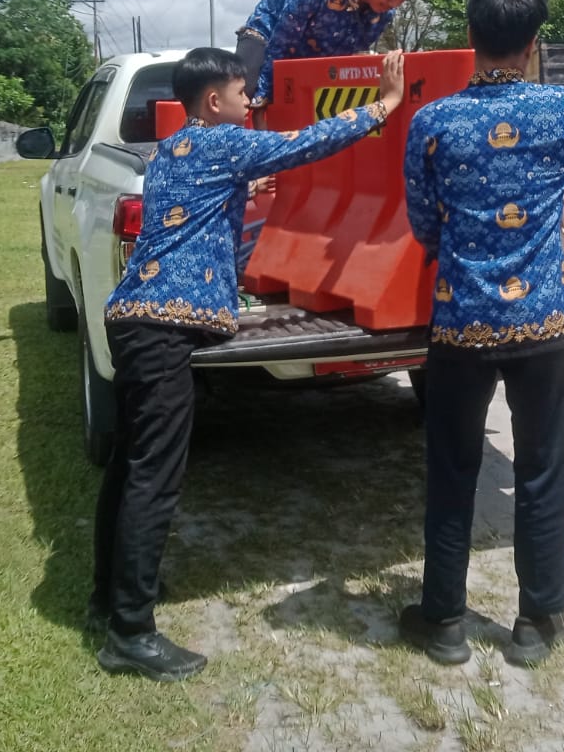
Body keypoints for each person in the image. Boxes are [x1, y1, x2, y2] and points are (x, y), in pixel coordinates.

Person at [91, 45, 407, 682]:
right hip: (163, 328)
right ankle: (130, 631)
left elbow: (199, 203)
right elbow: (309, 141)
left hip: (134, 320)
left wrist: (244, 182)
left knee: (131, 466)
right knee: (156, 477)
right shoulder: (222, 142)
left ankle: (109, 599)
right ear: (214, 102)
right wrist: (388, 103)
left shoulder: (177, 148)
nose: (252, 103)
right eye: (243, 95)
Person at [399, 0, 564, 669]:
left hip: (461, 324)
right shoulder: (562, 109)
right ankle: (538, 621)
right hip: (544, 324)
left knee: (452, 469)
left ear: (470, 42)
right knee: (542, 469)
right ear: (533, 44)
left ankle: (444, 620)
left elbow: (423, 223)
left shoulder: (433, 122)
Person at [235, 0, 428, 106]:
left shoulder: (384, 14)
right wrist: (261, 103)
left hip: (314, 60)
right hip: (268, 37)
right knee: (241, 94)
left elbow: (344, 63)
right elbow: (280, 47)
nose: (395, 3)